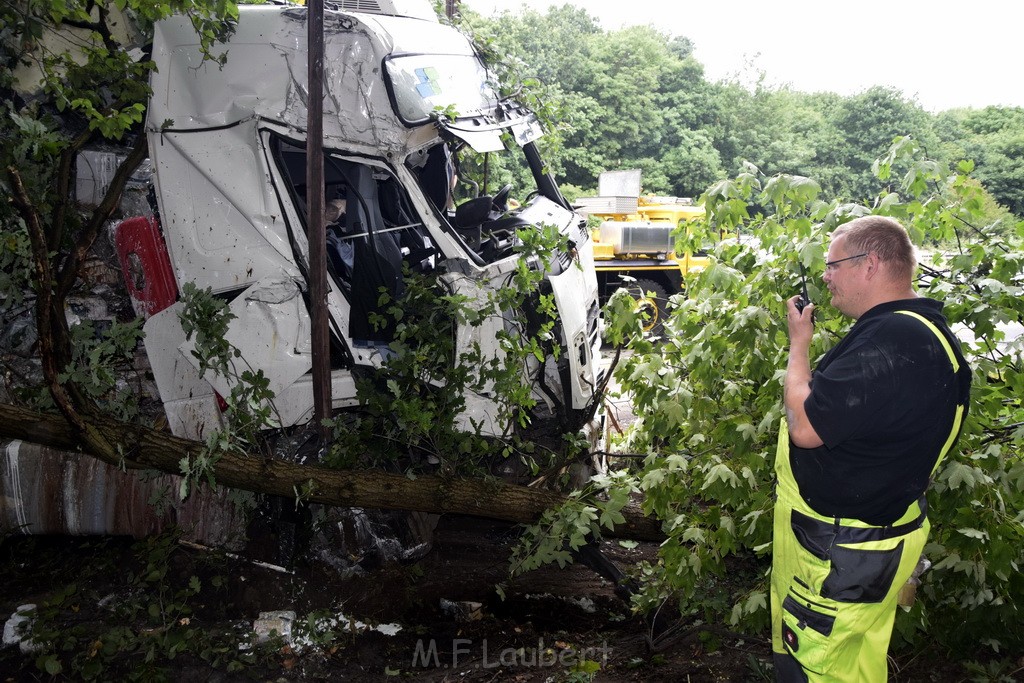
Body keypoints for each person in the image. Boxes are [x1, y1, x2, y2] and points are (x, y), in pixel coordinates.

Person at [771, 215, 971, 682]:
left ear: (870, 264)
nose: (824, 276)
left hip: (838, 554)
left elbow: (805, 425)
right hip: (874, 542)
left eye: (832, 265)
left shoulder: (891, 340)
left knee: (814, 667)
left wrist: (799, 346)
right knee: (856, 663)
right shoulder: (924, 331)